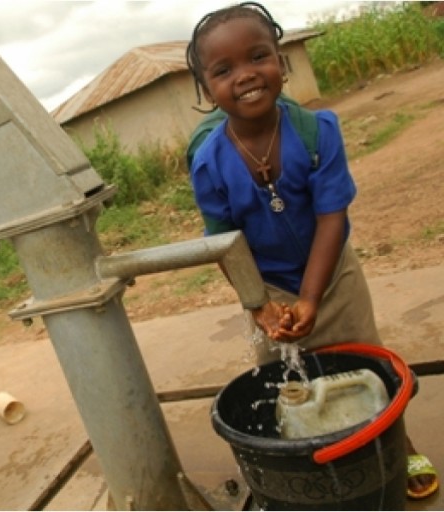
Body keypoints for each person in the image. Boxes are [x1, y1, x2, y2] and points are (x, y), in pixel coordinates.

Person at [184, 2, 438, 500]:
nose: (245, 74)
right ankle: (315, 458)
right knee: (286, 378)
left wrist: (313, 296)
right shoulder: (209, 163)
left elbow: (331, 217)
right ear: (207, 90)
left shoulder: (317, 132)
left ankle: (399, 445)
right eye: (224, 70)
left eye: (258, 56)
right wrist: (259, 305)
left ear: (281, 61)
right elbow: (224, 243)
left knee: (368, 362)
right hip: (268, 284)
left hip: (334, 272)